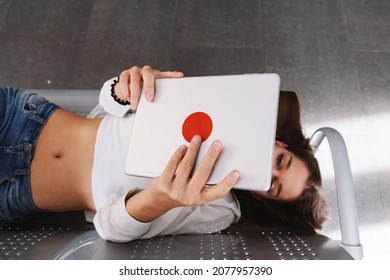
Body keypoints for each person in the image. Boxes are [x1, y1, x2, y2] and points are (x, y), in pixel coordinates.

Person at [0, 65, 327, 242]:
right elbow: (107, 105)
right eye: (280, 163)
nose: (263, 170)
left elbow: (109, 227)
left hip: (16, 191)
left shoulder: (217, 208)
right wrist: (125, 86)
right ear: (279, 143)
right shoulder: (223, 107)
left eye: (271, 185)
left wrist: (162, 197)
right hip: (22, 116)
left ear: (263, 197)